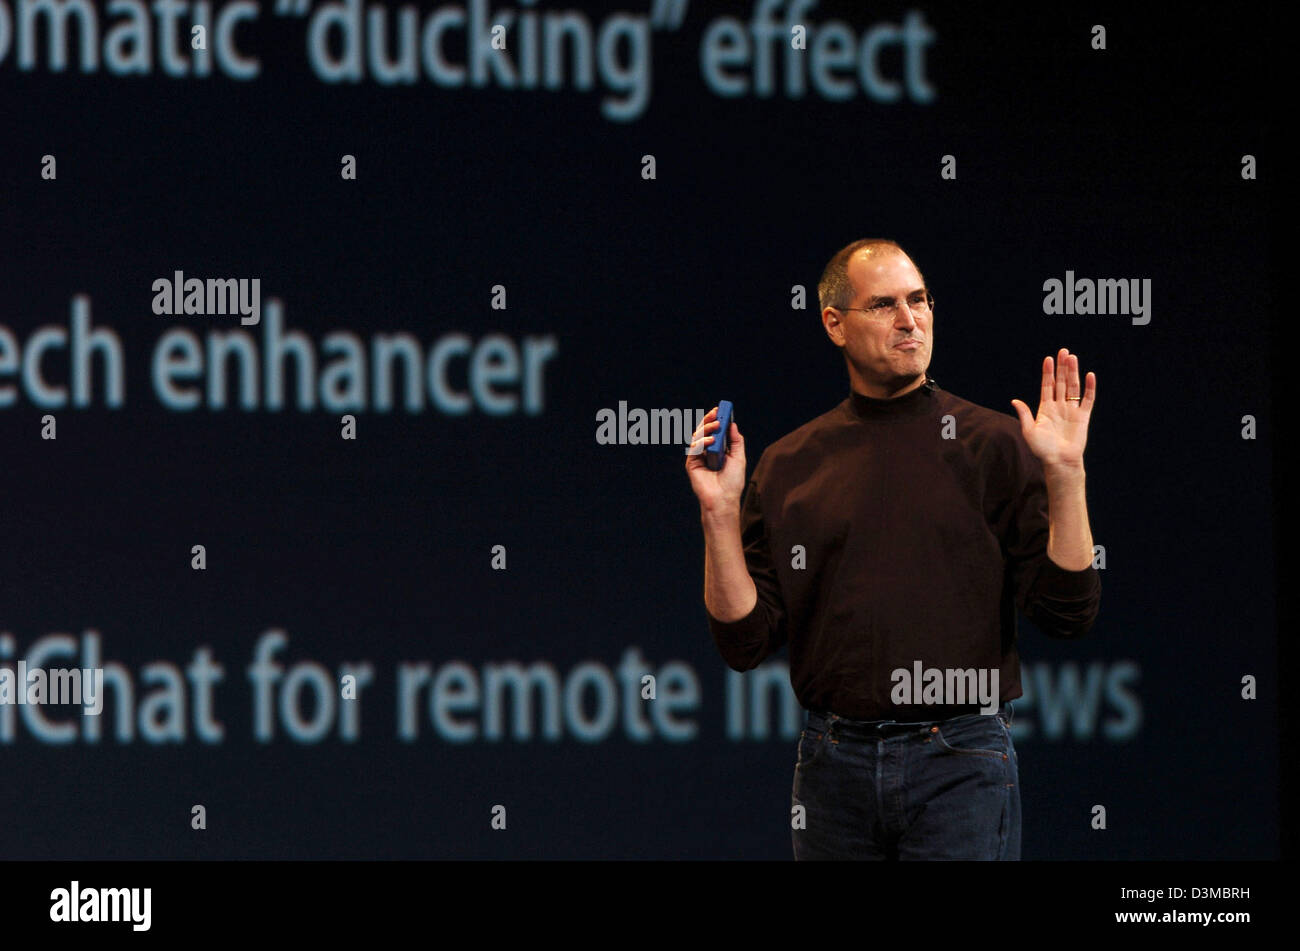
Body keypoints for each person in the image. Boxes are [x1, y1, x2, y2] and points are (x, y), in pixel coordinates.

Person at [685, 238, 1101, 860]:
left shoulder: (993, 445)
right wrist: (718, 514)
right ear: (834, 324)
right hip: (831, 770)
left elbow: (1068, 613)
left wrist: (1066, 474)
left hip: (961, 759)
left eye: (920, 300)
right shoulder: (790, 464)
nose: (910, 320)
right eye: (884, 305)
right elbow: (744, 642)